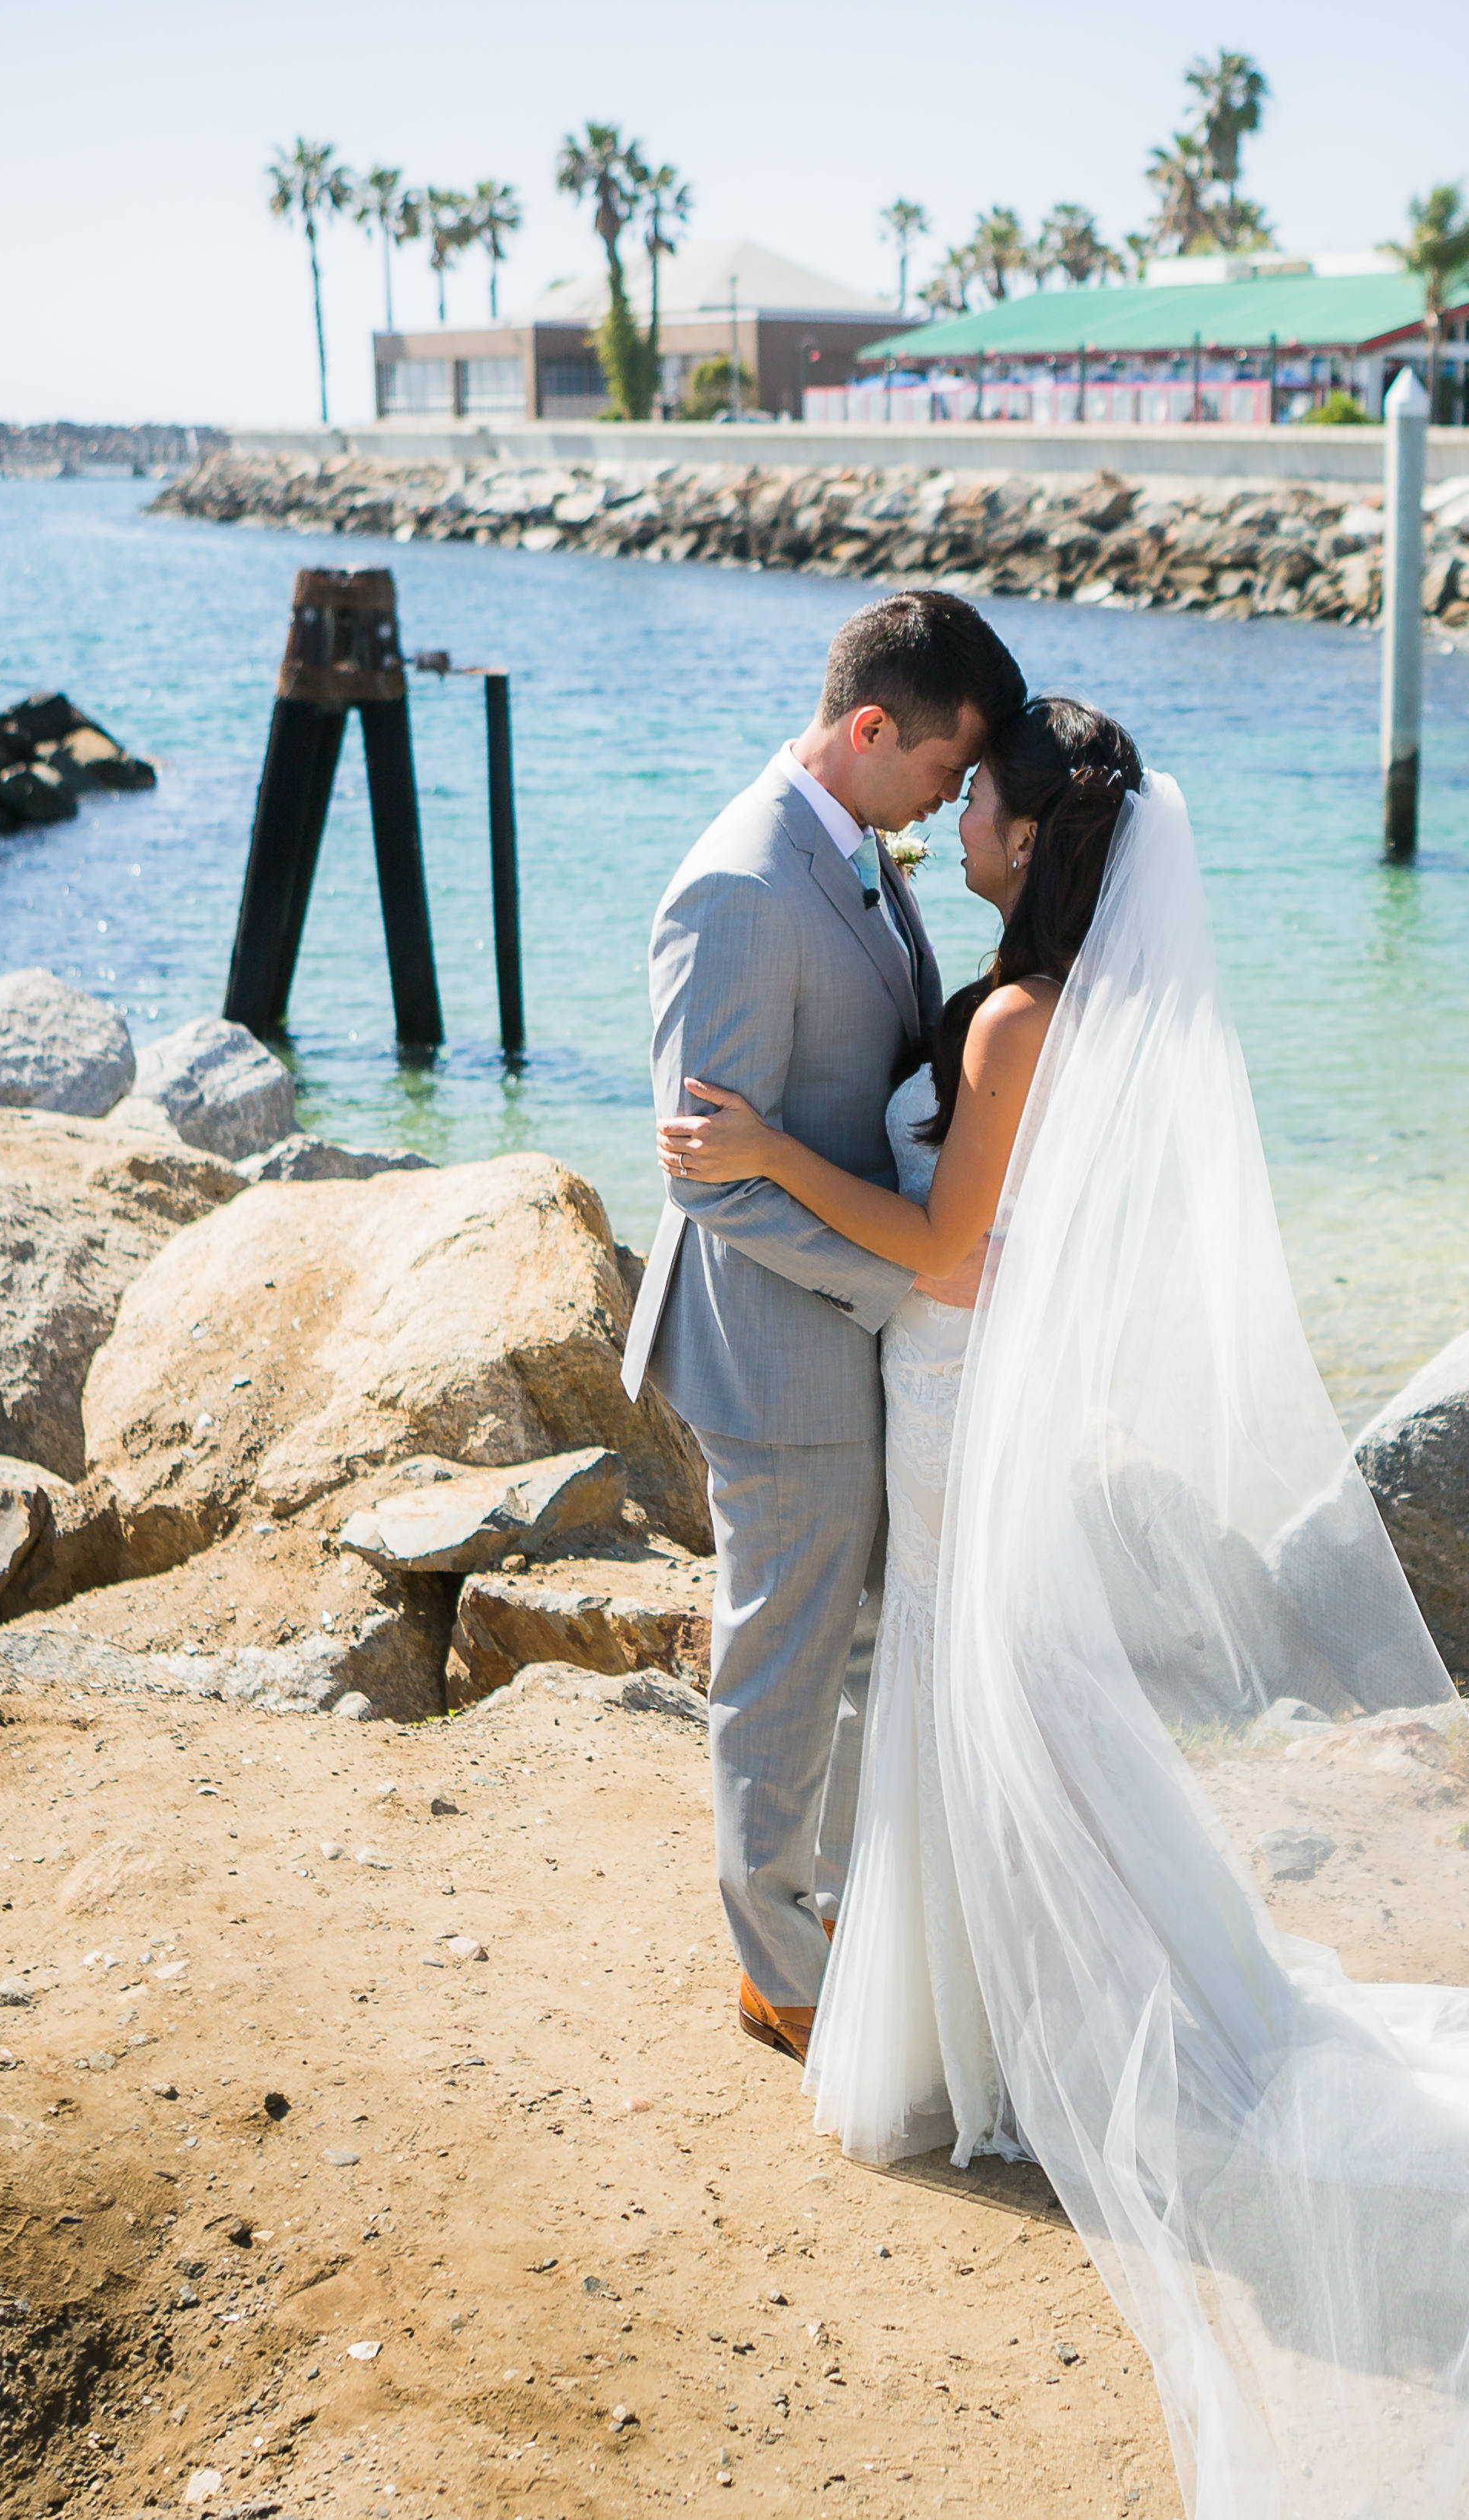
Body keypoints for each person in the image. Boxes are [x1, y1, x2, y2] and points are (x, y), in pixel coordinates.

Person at [658, 700, 1469, 2517]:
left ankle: (1076, 2036)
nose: (954, 820)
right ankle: (1038, 2020)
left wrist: (761, 1156)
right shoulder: (1049, 1002)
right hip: (958, 1383)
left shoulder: (1029, 1015)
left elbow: (952, 1249)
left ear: (1034, 839)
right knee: (1002, 1705)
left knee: (998, 1702)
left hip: (952, 1383)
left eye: (976, 801)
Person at [620, 589, 1027, 2065]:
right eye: (942, 773)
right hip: (775, 1344)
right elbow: (712, 1182)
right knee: (784, 1656)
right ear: (870, 731)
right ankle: (778, 1969)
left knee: (845, 1650)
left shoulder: (841, 844)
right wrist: (910, 1277)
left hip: (847, 1315)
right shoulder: (739, 887)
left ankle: (820, 1907)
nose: (953, 800)